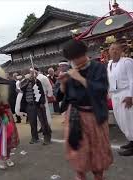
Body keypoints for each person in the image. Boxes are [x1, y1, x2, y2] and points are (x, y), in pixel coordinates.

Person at [57, 39, 113, 180]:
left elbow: (101, 91)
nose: (74, 62)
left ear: (84, 53)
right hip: (75, 115)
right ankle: (80, 176)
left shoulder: (98, 67)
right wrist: (63, 84)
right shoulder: (70, 71)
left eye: (76, 58)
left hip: (94, 115)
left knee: (97, 150)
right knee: (78, 151)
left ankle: (98, 177)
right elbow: (64, 97)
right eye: (71, 59)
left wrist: (81, 79)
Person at [107, 42, 133, 156]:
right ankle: (131, 141)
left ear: (121, 51)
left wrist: (130, 96)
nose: (114, 51)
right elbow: (110, 81)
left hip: (126, 93)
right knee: (121, 120)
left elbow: (132, 80)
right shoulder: (109, 64)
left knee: (129, 119)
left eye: (116, 49)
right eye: (112, 49)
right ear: (109, 52)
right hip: (115, 95)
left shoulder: (127, 62)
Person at [20, 72, 51, 145]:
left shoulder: (37, 81)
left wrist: (42, 102)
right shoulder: (24, 82)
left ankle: (47, 137)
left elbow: (42, 92)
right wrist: (27, 80)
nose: (29, 75)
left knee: (43, 121)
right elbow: (22, 88)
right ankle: (34, 137)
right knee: (32, 122)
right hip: (29, 105)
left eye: (31, 74)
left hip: (38, 104)